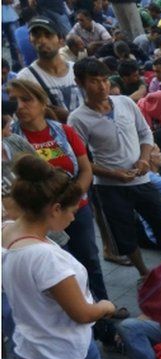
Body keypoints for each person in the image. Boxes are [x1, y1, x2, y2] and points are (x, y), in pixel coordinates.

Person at [2, 154, 116, 359]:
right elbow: (80, 313)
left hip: (29, 343)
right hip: (65, 351)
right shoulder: (45, 259)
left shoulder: (9, 231)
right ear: (54, 209)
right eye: (71, 211)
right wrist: (105, 306)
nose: (74, 217)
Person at [6, 78, 113, 321]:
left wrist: (70, 201)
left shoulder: (63, 132)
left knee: (89, 262)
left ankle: (102, 319)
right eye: (14, 101)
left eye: (26, 99)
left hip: (77, 210)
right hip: (40, 220)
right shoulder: (11, 141)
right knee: (58, 269)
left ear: (42, 102)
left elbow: (86, 169)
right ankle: (75, 314)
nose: (20, 106)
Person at [68, 57, 161, 278]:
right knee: (125, 234)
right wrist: (113, 174)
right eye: (94, 81)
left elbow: (145, 133)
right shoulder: (77, 119)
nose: (102, 86)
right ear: (79, 82)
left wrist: (144, 159)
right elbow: (82, 160)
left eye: (105, 80)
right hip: (109, 187)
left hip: (141, 179)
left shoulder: (125, 103)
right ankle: (145, 274)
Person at [16, 17, 83, 121]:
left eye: (48, 35)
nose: (42, 41)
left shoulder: (77, 69)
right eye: (36, 36)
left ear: (61, 40)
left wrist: (69, 117)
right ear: (30, 40)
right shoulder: (25, 78)